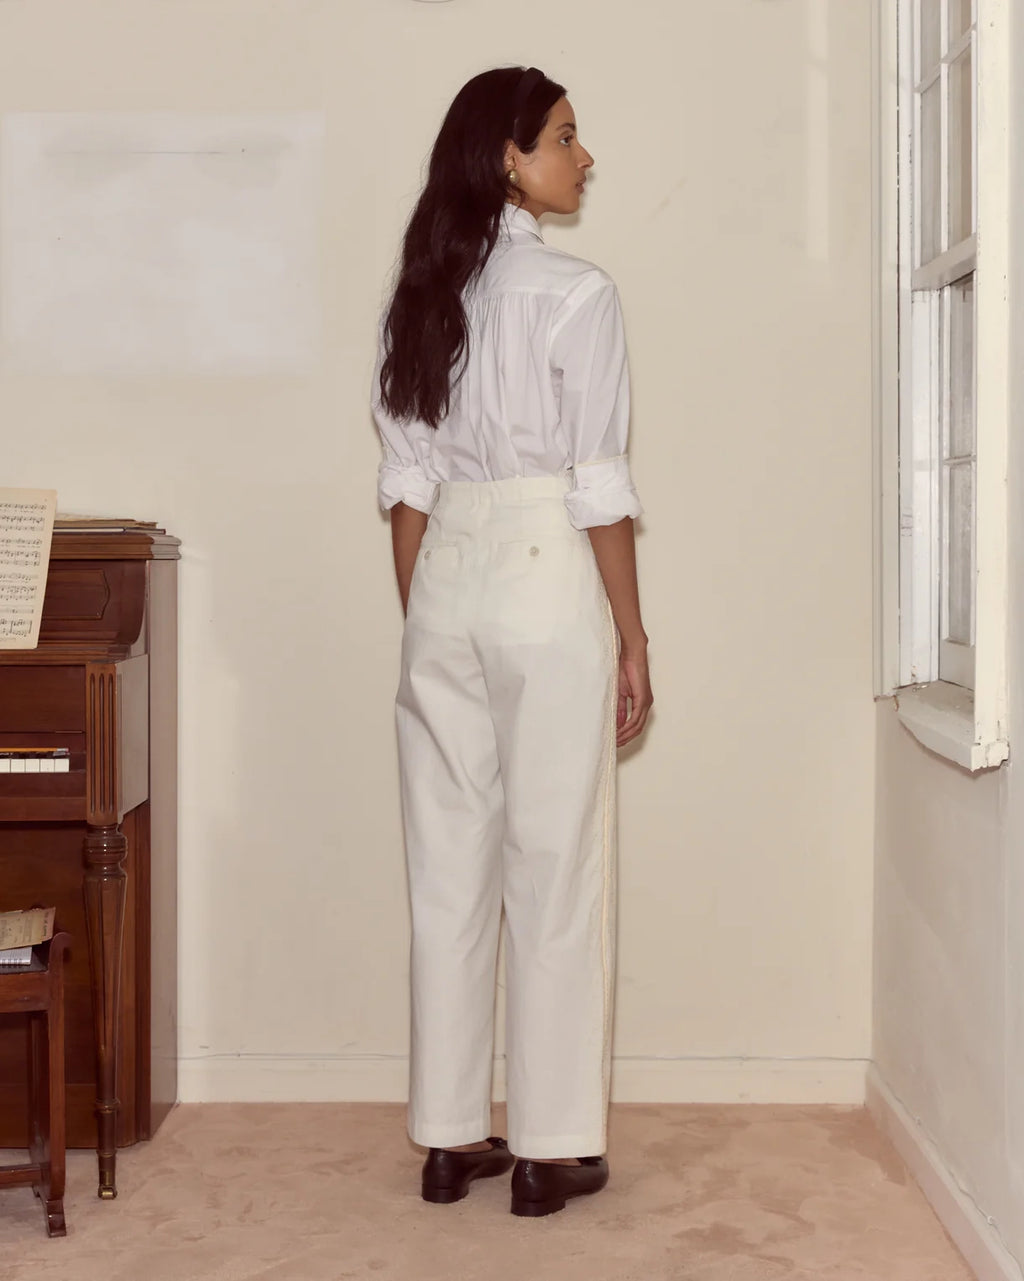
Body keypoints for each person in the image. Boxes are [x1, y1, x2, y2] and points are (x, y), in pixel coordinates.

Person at [372, 65, 652, 1217]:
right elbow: (598, 487)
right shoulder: (577, 296)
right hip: (544, 570)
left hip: (442, 580)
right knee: (556, 862)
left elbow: (406, 488)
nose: (585, 160)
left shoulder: (419, 302)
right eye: (567, 139)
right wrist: (630, 638)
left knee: (447, 870)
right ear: (508, 159)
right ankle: (546, 1149)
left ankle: (447, 1141)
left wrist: (432, 614)